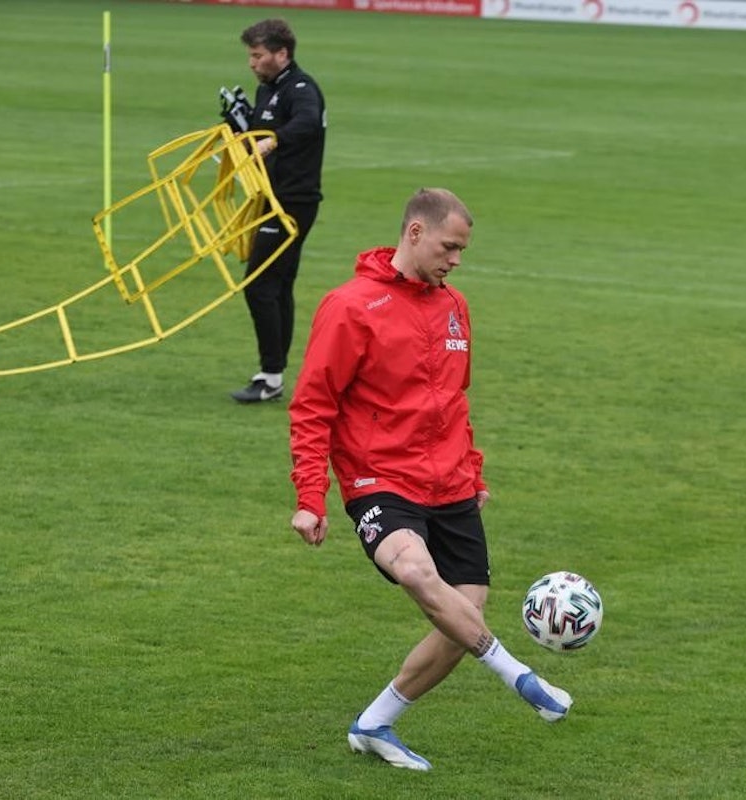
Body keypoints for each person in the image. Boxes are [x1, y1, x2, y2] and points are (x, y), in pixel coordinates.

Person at [288, 188, 572, 771]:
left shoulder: (454, 306)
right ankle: (519, 676)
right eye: (450, 246)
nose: (457, 260)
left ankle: (376, 723)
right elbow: (313, 405)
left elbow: (454, 399)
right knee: (416, 572)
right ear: (415, 233)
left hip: (450, 485)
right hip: (379, 479)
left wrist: (473, 471)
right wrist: (310, 498)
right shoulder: (350, 307)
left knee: (461, 616)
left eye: (463, 250)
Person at [230, 18, 327, 403]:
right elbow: (253, 145)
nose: (252, 63)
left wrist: (273, 142)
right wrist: (238, 125)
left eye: (258, 55)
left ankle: (270, 376)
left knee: (258, 285)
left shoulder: (302, 89)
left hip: (292, 202)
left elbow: (306, 125)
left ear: (281, 53)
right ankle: (275, 374)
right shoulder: (268, 91)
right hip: (270, 198)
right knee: (278, 284)